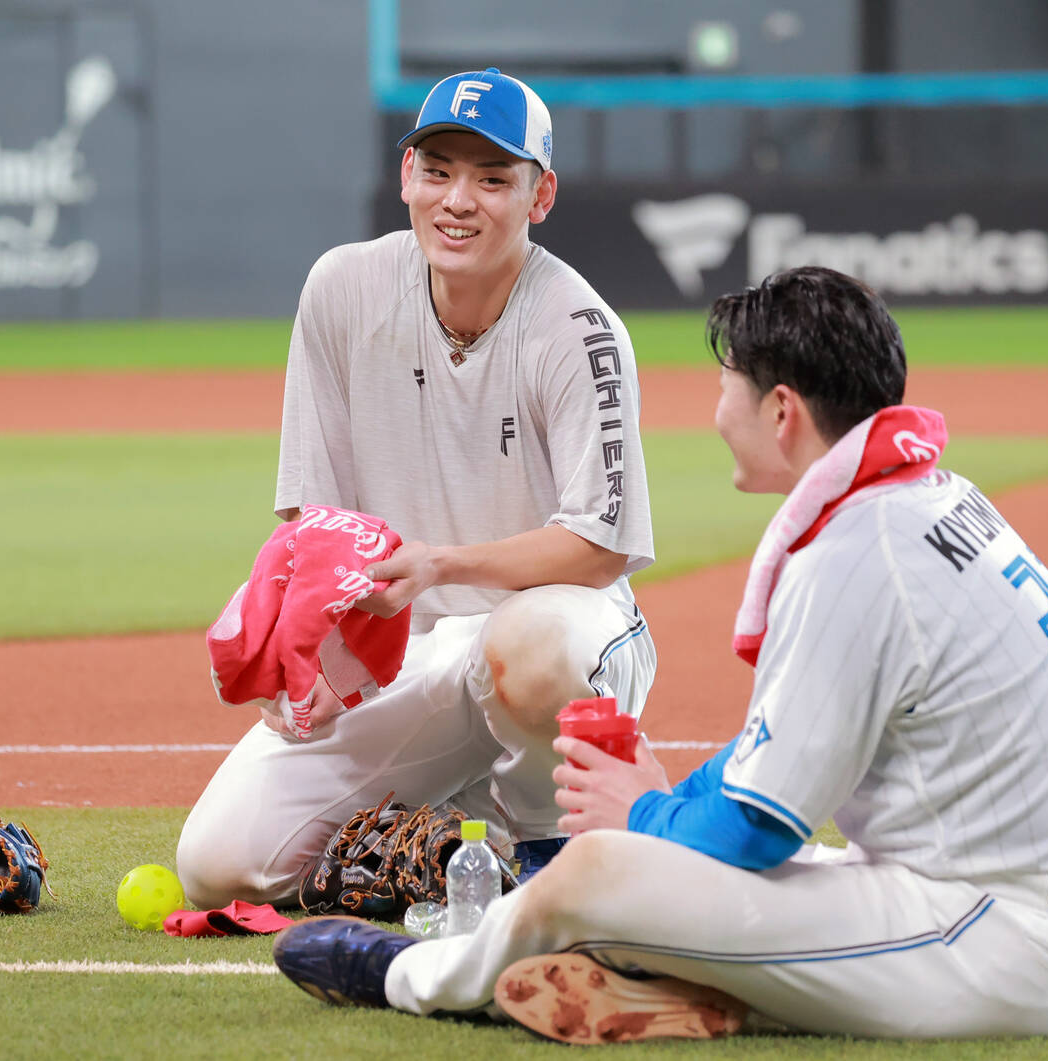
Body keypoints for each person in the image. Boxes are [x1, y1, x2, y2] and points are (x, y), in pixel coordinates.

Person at [272, 266, 1048, 1044]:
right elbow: (769, 760)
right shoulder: (927, 500)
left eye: (727, 386)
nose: (717, 409)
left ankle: (416, 976)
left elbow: (759, 825)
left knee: (599, 871)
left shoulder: (859, 555)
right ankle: (668, 987)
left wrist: (645, 816)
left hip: (992, 941)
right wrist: (667, 808)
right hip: (1008, 904)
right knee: (667, 857)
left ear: (781, 411)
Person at [176, 67, 656, 906]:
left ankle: (546, 860)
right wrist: (311, 654)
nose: (457, 200)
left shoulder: (579, 330)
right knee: (218, 867)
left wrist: (441, 564)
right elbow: (319, 526)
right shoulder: (342, 290)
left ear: (540, 195)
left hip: (558, 640)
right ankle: (454, 824)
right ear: (407, 176)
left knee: (535, 643)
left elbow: (597, 548)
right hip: (405, 657)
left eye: (492, 179)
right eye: (437, 171)